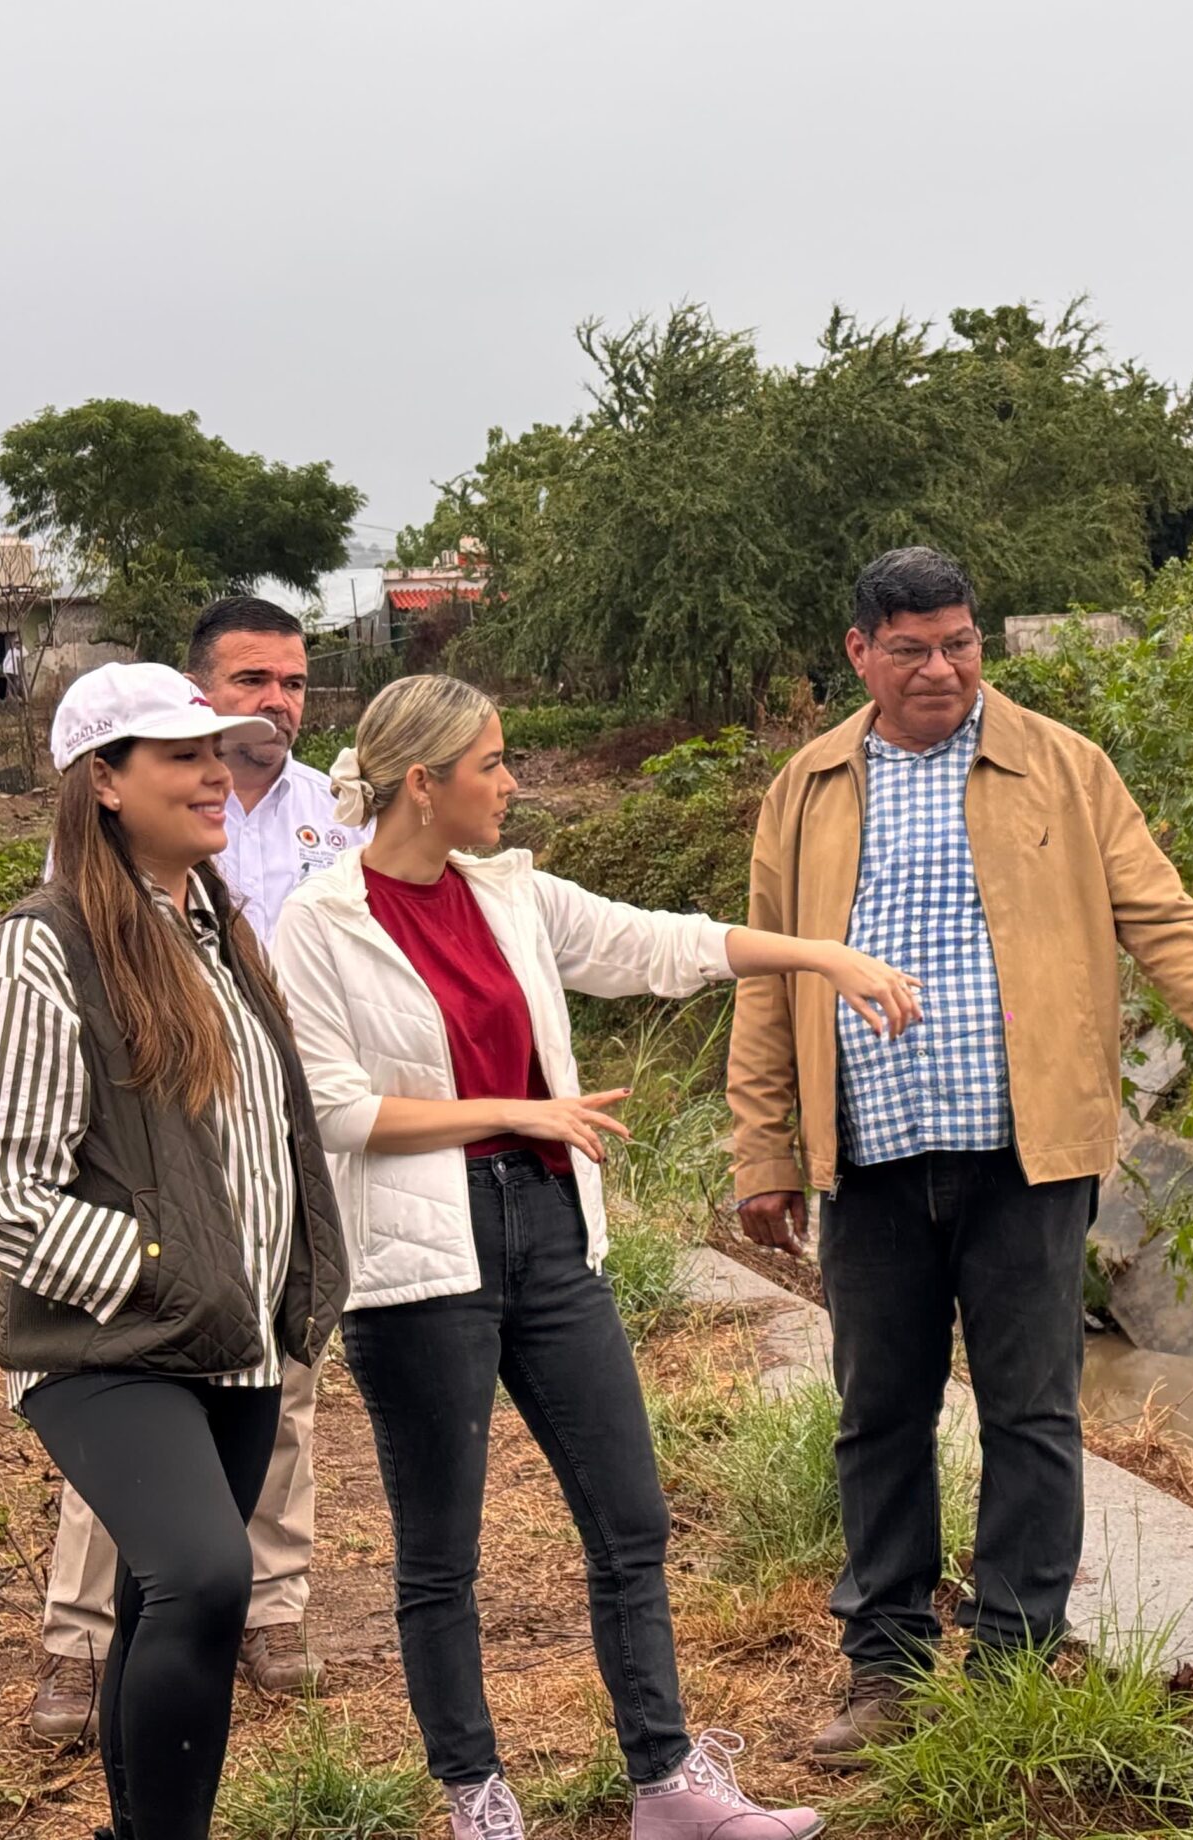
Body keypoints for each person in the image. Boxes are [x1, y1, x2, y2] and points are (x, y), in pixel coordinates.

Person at [726, 546, 1193, 1762]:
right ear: (859, 653)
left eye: (961, 643)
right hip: (869, 1152)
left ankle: (1017, 1653)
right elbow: (769, 975)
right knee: (878, 1412)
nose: (943, 669)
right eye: (914, 649)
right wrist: (762, 1146)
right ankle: (884, 1667)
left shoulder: (1065, 769)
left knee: (1031, 1411)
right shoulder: (809, 788)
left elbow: (1173, 929)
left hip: (1026, 1152)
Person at [273, 674, 916, 1840]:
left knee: (629, 1518)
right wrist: (518, 1113)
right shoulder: (322, 921)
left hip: (551, 1233)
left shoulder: (507, 894)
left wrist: (820, 955)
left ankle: (665, 1786)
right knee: (441, 1553)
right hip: (422, 1258)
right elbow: (333, 1109)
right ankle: (476, 1799)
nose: (512, 783)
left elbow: (656, 945)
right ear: (424, 783)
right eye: (493, 764)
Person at [0, 661, 349, 1840]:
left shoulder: (215, 934)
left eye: (219, 749)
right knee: (207, 1577)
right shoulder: (43, 948)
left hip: (236, 1339)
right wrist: (154, 1266)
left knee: (172, 1601)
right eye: (181, 754)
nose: (217, 772)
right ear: (101, 782)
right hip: (113, 1342)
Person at [31, 596, 364, 1745]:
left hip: (281, 1143)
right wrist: (136, 1240)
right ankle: (79, 1644)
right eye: (252, 683)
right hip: (162, 1153)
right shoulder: (118, 838)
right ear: (195, 692)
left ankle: (270, 1610)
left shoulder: (331, 813)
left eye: (294, 684)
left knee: (285, 1397)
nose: (276, 705)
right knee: (136, 1408)